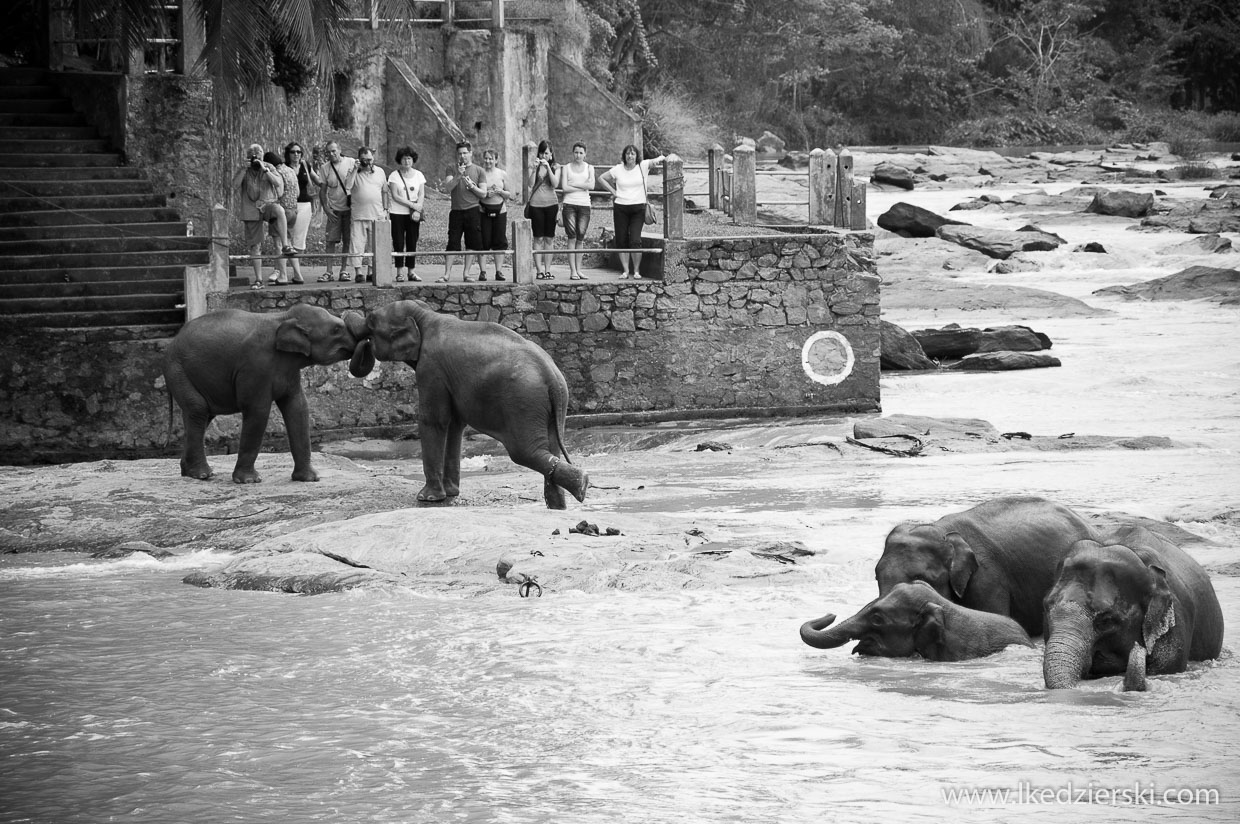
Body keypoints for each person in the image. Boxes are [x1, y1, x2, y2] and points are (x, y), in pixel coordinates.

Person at [231, 142, 293, 290]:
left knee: (279, 210)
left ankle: (285, 245)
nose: (256, 160)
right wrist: (243, 169)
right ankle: (258, 279)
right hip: (250, 209)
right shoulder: (244, 169)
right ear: (247, 158)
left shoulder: (269, 167)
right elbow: (234, 186)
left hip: (267, 204)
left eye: (259, 156)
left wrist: (265, 169)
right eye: (253, 157)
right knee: (255, 245)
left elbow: (278, 183)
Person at [600, 144, 666, 279]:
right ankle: (625, 270)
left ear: (637, 156)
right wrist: (613, 192)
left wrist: (664, 157)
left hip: (638, 208)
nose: (630, 156)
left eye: (633, 154)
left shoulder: (642, 166)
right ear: (624, 155)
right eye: (628, 153)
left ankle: (636, 271)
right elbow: (601, 178)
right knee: (621, 239)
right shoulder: (618, 169)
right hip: (621, 207)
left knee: (635, 239)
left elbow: (656, 160)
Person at [438, 140, 487, 283]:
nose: (462, 156)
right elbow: (448, 188)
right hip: (456, 211)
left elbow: (483, 193)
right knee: (452, 243)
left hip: (473, 210)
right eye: (460, 153)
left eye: (465, 153)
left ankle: (466, 273)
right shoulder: (451, 168)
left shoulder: (479, 170)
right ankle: (446, 274)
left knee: (471, 244)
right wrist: (459, 176)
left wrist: (472, 187)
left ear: (470, 153)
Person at [346, 146, 386, 283]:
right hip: (359, 215)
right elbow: (348, 186)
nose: (367, 163)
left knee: (373, 245)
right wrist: (355, 170)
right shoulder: (353, 172)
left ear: (373, 158)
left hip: (377, 214)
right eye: (364, 160)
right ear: (359, 160)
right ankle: (358, 271)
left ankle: (371, 271)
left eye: (369, 159)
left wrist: (386, 210)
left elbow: (384, 190)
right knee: (357, 244)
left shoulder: (380, 172)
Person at [282, 140, 320, 284]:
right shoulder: (283, 168)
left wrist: (328, 188)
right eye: (293, 152)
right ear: (288, 154)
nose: (296, 154)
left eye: (299, 152)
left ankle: (295, 273)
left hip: (305, 204)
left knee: (299, 240)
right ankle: (287, 272)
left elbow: (317, 180)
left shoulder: (305, 165)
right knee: (285, 238)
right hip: (288, 205)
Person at [317, 141, 355, 283]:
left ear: (340, 149)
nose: (331, 154)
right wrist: (326, 209)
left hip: (350, 209)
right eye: (328, 152)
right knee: (330, 241)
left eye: (334, 151)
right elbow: (322, 190)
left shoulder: (351, 162)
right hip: (334, 210)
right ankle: (329, 271)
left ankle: (344, 270)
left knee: (347, 240)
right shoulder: (325, 168)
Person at [387, 146, 426, 283]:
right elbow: (395, 196)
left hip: (413, 214)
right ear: (400, 160)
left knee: (412, 241)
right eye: (404, 158)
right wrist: (412, 205)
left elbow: (421, 194)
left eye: (409, 158)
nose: (407, 161)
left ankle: (411, 271)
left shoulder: (419, 175)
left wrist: (417, 209)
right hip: (397, 213)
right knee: (398, 242)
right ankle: (399, 272)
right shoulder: (394, 176)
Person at [559, 142, 595, 281]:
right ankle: (572, 270)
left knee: (580, 236)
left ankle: (579, 270)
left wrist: (573, 184)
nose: (578, 155)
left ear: (585, 154)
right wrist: (582, 186)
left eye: (581, 152)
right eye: (576, 152)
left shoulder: (589, 168)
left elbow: (591, 185)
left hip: (584, 205)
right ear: (572, 153)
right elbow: (564, 188)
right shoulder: (567, 168)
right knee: (572, 236)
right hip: (570, 204)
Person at [526, 139, 560, 279]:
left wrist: (549, 168)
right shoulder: (534, 165)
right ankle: (539, 270)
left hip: (551, 204)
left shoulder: (556, 166)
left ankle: (547, 269)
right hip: (536, 205)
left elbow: (555, 184)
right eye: (542, 153)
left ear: (551, 154)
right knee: (538, 238)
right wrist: (534, 169)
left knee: (549, 238)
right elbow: (529, 184)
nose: (544, 156)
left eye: (546, 153)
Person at [478, 148, 514, 281]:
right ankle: (483, 271)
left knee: (499, 241)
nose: (488, 161)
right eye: (486, 158)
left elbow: (508, 194)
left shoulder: (502, 174)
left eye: (491, 158)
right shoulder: (480, 173)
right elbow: (475, 193)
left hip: (500, 209)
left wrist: (499, 191)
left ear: (496, 160)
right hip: (483, 209)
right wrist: (485, 193)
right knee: (483, 241)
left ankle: (499, 271)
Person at [267, 150, 299, 285]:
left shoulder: (277, 172)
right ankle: (298, 275)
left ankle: (283, 276)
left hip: (282, 212)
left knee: (279, 244)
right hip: (293, 210)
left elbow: (279, 192)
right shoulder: (290, 170)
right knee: (289, 245)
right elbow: (297, 192)